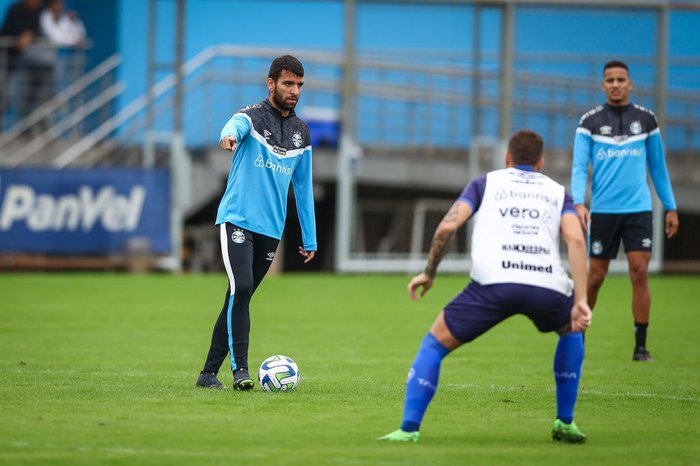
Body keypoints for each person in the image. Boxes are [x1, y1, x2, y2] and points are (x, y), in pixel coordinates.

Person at [378, 130, 592, 444]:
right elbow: (575, 239)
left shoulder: (485, 182)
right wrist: (581, 300)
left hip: (493, 284)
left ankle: (409, 429)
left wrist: (429, 272)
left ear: (507, 159)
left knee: (433, 346)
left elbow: (448, 226)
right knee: (573, 331)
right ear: (541, 162)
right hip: (546, 284)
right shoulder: (558, 191)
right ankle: (565, 421)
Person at [196, 55, 317, 391]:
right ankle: (240, 371)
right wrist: (227, 137)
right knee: (242, 289)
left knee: (238, 297)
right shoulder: (251, 116)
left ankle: (207, 374)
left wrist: (310, 237)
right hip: (237, 219)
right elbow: (232, 125)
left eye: (299, 86)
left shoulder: (301, 132)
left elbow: (303, 187)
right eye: (288, 84)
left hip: (270, 230)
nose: (294, 91)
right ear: (271, 83)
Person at [571, 60, 679, 362]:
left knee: (639, 271)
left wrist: (670, 206)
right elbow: (579, 168)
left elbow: (658, 167)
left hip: (639, 210)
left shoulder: (646, 120)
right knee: (594, 278)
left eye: (621, 79)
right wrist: (578, 202)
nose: (616, 84)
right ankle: (578, 340)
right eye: (610, 80)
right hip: (603, 211)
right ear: (602, 85)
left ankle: (640, 346)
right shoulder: (589, 122)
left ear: (630, 83)